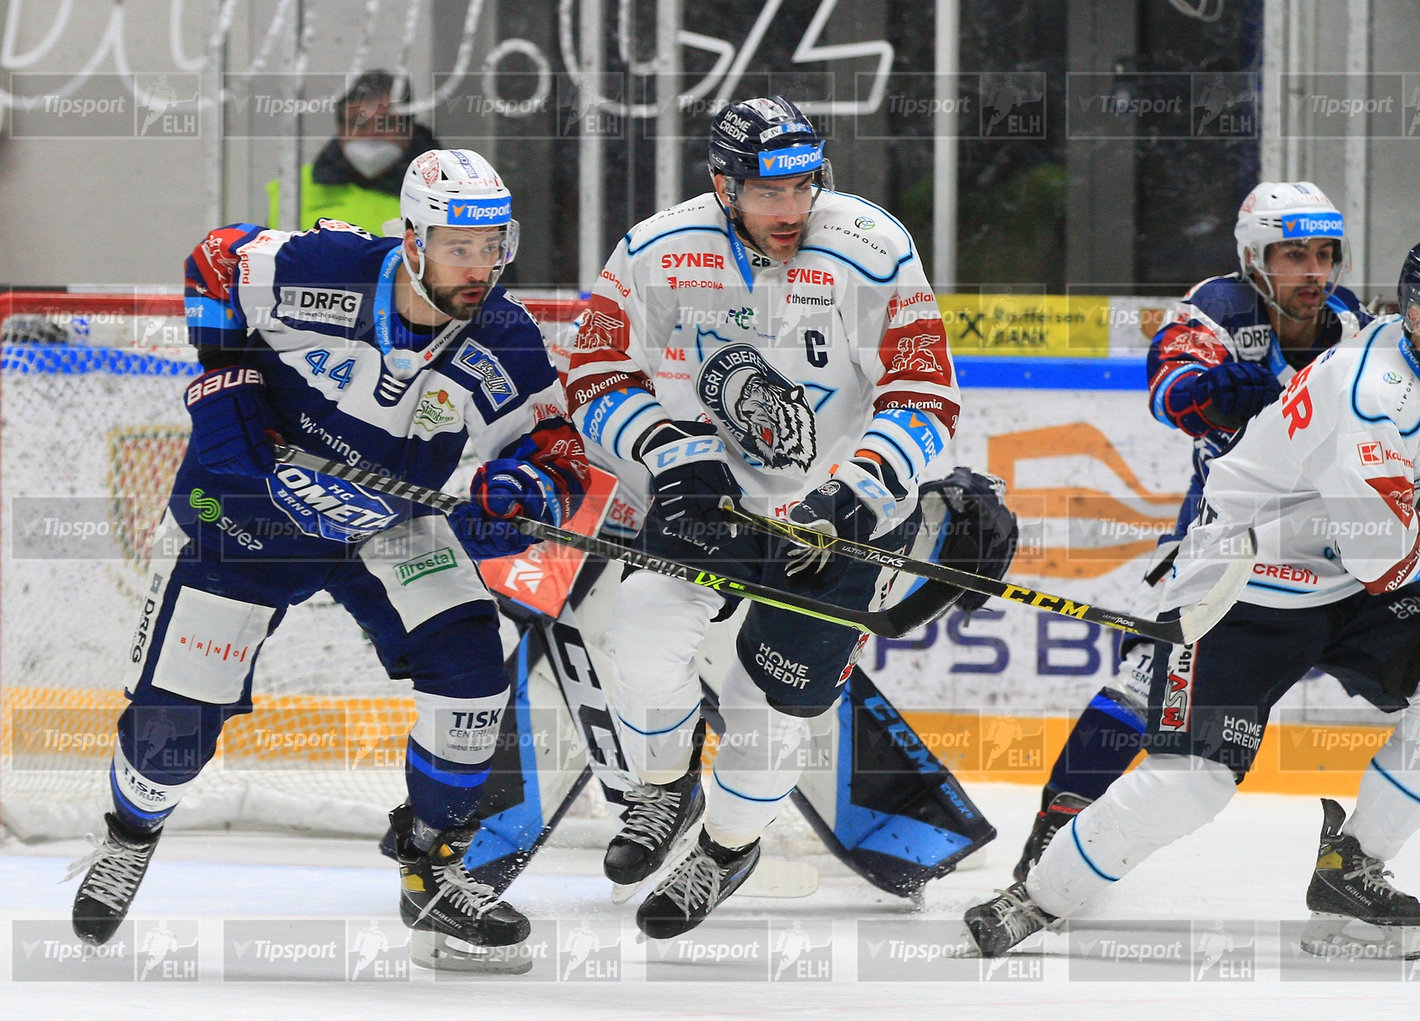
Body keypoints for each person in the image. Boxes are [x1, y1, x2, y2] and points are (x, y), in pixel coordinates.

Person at [65, 149, 588, 973]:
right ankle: (131, 831)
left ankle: (431, 864)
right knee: (171, 733)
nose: (480, 266)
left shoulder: (505, 339)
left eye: (494, 246)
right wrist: (228, 390)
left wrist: (523, 493)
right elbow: (214, 260)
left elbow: (557, 449)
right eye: (460, 245)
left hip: (389, 524)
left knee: (473, 667)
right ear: (412, 237)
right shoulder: (325, 268)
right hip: (251, 514)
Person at [565, 96, 963, 938]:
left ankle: (729, 845)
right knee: (637, 631)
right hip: (714, 500)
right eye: (766, 192)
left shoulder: (872, 247)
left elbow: (924, 392)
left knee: (770, 704)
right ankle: (666, 785)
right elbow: (594, 375)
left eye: (802, 186)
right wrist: (674, 454)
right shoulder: (657, 249)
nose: (790, 211)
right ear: (722, 184)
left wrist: (852, 491)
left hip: (846, 515)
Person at [966, 243, 1420, 960]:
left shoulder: (1382, 337)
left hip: (1343, 576)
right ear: (1414, 312)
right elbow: (1384, 557)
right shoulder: (1375, 396)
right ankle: (1036, 897)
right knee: (1193, 784)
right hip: (1247, 581)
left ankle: (1349, 874)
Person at [1013, 182, 1372, 881]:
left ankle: (1356, 860)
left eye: (1325, 253)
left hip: (1333, 554)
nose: (1314, 271)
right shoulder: (1217, 306)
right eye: (1293, 253)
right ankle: (1054, 839)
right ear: (1253, 256)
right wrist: (1206, 392)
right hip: (1226, 547)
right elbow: (1167, 385)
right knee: (1142, 683)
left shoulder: (1352, 323)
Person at [266, 70, 440, 234]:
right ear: (340, 129)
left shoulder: (442, 191)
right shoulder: (294, 189)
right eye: (359, 124)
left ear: (409, 129)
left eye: (386, 123)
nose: (372, 134)